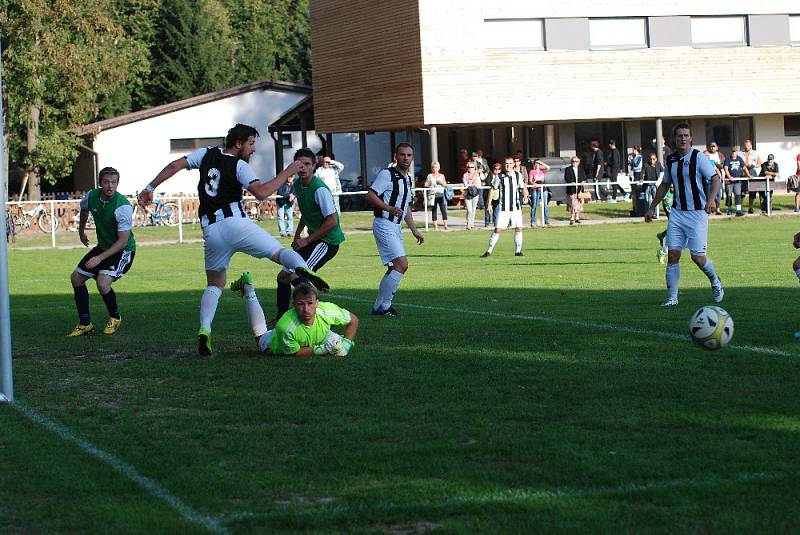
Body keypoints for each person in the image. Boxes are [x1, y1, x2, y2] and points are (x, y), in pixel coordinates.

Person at [137, 123, 329, 355]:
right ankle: (302, 267)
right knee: (279, 253)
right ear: (238, 144)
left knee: (215, 284)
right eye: (251, 144)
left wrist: (150, 186)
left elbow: (175, 164)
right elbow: (261, 193)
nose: (254, 149)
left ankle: (205, 329)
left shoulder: (206, 153)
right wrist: (288, 172)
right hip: (236, 224)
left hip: (212, 231)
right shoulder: (239, 165)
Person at [644, 123, 723, 307]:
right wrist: (651, 207)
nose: (683, 138)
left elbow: (715, 178)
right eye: (679, 135)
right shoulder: (670, 160)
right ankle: (672, 298)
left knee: (697, 257)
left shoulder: (699, 158)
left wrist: (710, 201)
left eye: (686, 135)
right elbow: (664, 185)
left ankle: (715, 281)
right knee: (672, 254)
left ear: (691, 138)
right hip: (678, 213)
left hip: (697, 213)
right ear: (674, 139)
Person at [274, 148, 345, 322]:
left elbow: (332, 222)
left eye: (307, 164)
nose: (303, 168)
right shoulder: (298, 185)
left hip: (327, 242)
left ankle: (318, 317)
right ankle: (281, 318)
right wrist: (297, 235)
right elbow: (306, 213)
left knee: (297, 276)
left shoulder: (319, 189)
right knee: (283, 277)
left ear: (314, 166)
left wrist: (306, 240)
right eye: (300, 164)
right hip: (313, 240)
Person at [68, 167, 136, 336]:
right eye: (106, 182)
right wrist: (81, 231)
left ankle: (115, 317)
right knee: (76, 278)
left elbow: (122, 241)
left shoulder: (123, 207)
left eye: (114, 182)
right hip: (104, 248)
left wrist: (99, 258)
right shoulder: (91, 196)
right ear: (100, 183)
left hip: (123, 251)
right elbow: (84, 210)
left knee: (103, 282)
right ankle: (85, 324)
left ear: (117, 184)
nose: (110, 186)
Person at [231, 274, 358, 356]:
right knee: (259, 338)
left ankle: (335, 341)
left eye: (310, 303)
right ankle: (248, 288)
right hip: (276, 342)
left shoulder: (328, 311)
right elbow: (296, 352)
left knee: (337, 344)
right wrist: (323, 349)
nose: (306, 309)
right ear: (294, 305)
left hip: (319, 334)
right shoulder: (285, 327)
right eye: (301, 304)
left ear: (317, 303)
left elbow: (353, 320)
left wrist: (345, 345)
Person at [366, 142, 424, 316]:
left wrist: (414, 229)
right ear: (395, 156)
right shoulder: (387, 174)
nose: (405, 158)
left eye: (409, 155)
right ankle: (385, 306)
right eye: (402, 155)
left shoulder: (408, 178)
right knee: (402, 264)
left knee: (394, 267)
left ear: (412, 158)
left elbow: (406, 207)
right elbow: (370, 195)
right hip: (384, 224)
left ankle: (379, 306)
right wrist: (388, 208)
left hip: (395, 226)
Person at [482, 156, 529, 257]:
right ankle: (488, 251)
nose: (508, 165)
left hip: (516, 208)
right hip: (504, 209)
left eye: (510, 163)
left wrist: (525, 195)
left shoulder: (518, 175)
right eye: (506, 163)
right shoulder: (499, 176)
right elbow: (493, 189)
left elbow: (523, 186)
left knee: (518, 228)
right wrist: (489, 203)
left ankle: (518, 251)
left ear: (513, 165)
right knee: (498, 229)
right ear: (504, 165)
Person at [425, 161, 449, 230]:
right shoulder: (429, 176)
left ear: (438, 168)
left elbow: (445, 184)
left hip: (440, 194)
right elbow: (426, 184)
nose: (435, 168)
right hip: (433, 195)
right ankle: (435, 227)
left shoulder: (442, 176)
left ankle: (445, 225)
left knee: (443, 210)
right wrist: (430, 186)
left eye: (436, 167)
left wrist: (442, 183)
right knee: (434, 210)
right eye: (433, 167)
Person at [723, 146, 746, 216]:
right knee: (729, 195)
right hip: (729, 181)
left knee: (738, 195)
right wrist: (729, 176)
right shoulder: (728, 159)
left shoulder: (739, 158)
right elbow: (726, 168)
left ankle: (738, 210)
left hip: (737, 180)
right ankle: (729, 209)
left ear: (737, 152)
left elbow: (744, 167)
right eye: (733, 152)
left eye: (735, 152)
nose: (734, 153)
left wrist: (748, 175)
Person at [741, 139, 762, 214]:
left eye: (748, 146)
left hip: (752, 173)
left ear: (751, 146)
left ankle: (750, 208)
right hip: (743, 173)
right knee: (742, 191)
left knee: (752, 191)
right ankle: (740, 208)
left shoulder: (755, 153)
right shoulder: (741, 153)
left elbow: (760, 163)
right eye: (745, 146)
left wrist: (754, 166)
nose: (746, 147)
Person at [563, 156, 586, 225]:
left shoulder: (581, 169)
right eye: (573, 161)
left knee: (579, 204)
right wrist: (571, 182)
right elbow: (566, 178)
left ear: (578, 162)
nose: (574, 163)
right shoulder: (568, 169)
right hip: (572, 190)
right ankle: (572, 218)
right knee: (573, 204)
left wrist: (583, 181)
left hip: (579, 190)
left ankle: (577, 217)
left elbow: (584, 177)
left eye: (576, 161)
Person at [528, 158, 551, 226]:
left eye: (538, 163)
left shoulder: (542, 171)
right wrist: (534, 183)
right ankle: (533, 220)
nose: (537, 164)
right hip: (535, 188)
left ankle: (546, 220)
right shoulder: (532, 171)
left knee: (545, 205)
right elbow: (530, 180)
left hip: (543, 188)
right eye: (536, 163)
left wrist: (541, 163)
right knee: (534, 204)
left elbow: (548, 167)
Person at [462, 160, 483, 230]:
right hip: (467, 194)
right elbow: (466, 184)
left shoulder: (477, 175)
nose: (470, 168)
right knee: (469, 209)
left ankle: (472, 223)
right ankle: (468, 223)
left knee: (474, 209)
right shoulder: (465, 175)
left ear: (474, 168)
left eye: (472, 167)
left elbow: (479, 184)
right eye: (469, 167)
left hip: (475, 193)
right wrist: (472, 184)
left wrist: (472, 184)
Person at [707, 142, 725, 214]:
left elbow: (723, 166)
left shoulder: (720, 155)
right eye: (711, 146)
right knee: (709, 194)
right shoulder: (707, 154)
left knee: (718, 194)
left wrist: (717, 164)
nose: (712, 148)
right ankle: (709, 209)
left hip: (717, 177)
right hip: (708, 178)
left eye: (714, 146)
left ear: (717, 147)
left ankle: (718, 209)